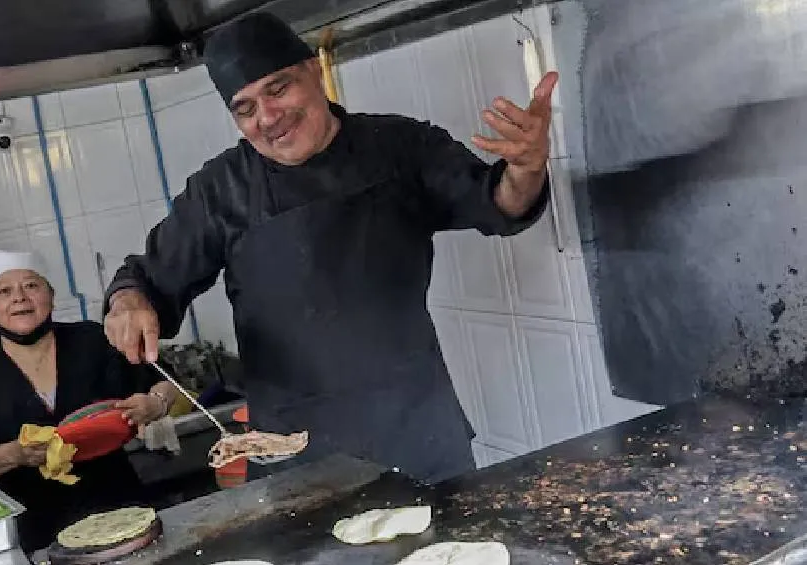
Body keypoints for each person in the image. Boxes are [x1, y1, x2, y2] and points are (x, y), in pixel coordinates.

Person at [103, 12, 556, 484]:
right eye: (246, 108)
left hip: (417, 431)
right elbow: (147, 279)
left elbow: (497, 204)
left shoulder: (400, 145)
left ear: (314, 71)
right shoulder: (220, 190)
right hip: (293, 452)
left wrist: (526, 168)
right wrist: (128, 301)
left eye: (279, 89)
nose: (268, 118)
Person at [0, 250, 179, 552]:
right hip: (35, 533)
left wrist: (156, 403)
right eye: (4, 291)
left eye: (31, 286)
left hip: (121, 509)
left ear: (50, 294)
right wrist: (14, 454)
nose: (19, 298)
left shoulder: (92, 339)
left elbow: (167, 381)